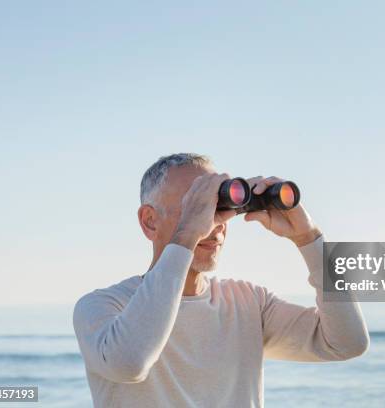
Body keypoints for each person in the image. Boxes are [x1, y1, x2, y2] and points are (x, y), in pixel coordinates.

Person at [73, 153, 369, 408]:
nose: (213, 225)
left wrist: (310, 239)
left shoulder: (248, 303)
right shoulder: (102, 306)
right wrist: (188, 235)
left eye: (219, 208)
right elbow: (130, 362)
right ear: (150, 221)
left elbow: (347, 342)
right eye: (197, 207)